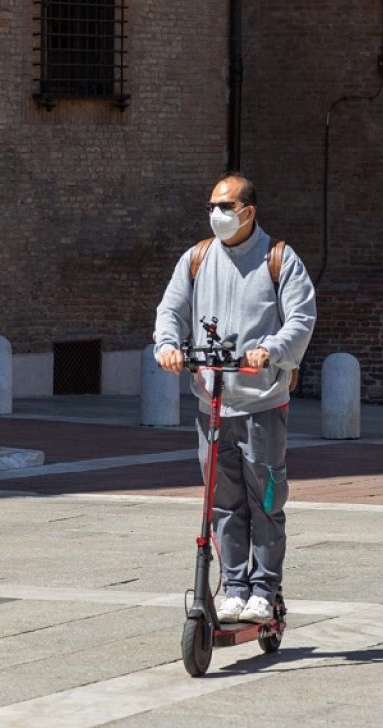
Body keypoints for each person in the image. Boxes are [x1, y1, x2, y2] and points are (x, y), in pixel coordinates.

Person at [153, 173, 316, 624]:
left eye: (226, 207)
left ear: (249, 212)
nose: (217, 215)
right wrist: (167, 345)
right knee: (222, 502)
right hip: (213, 402)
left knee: (265, 499)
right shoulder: (197, 258)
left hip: (261, 400)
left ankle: (264, 587)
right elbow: (171, 309)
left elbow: (301, 317)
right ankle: (235, 586)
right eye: (212, 207)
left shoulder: (279, 259)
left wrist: (273, 351)